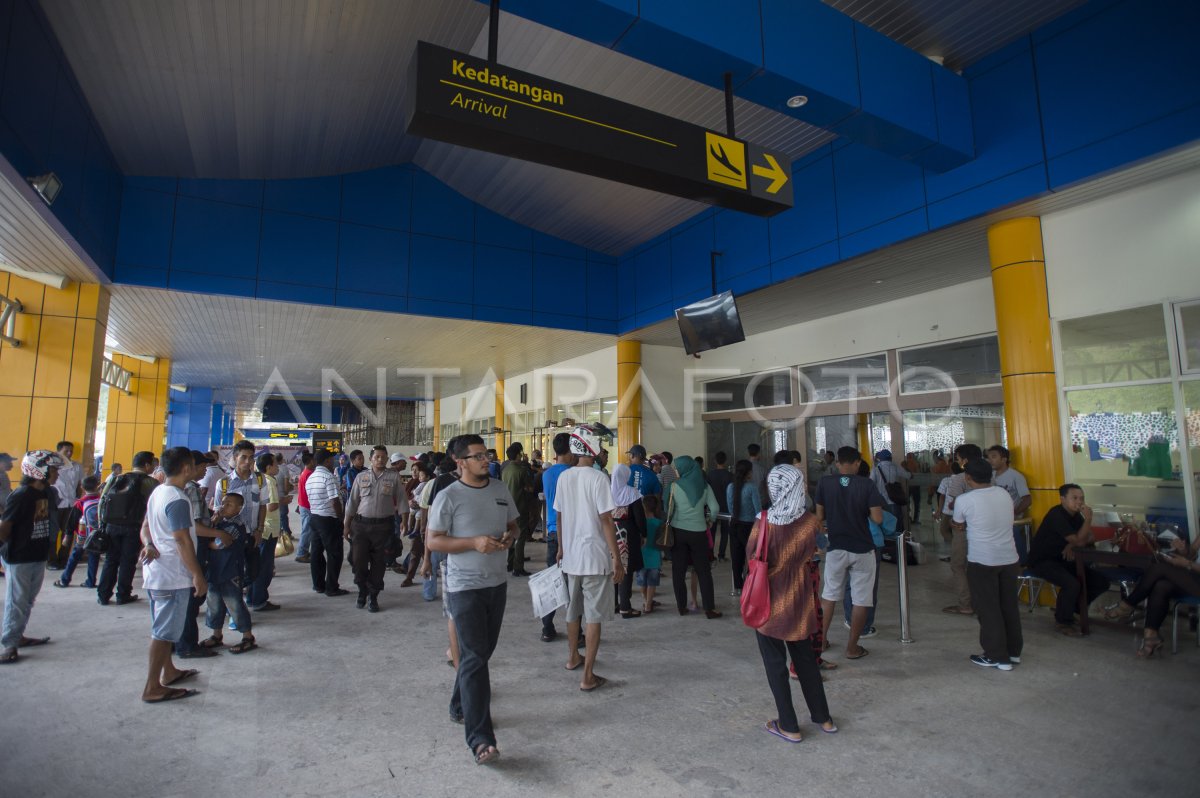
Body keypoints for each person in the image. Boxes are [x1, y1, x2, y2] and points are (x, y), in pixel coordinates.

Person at [426, 435, 518, 766]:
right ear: (460, 462)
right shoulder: (448, 496)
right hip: (464, 586)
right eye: (478, 456)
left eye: (487, 454)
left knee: (480, 654)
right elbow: (434, 541)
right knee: (476, 656)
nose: (486, 460)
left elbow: (514, 525)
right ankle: (480, 739)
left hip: (497, 583)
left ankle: (459, 704)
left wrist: (510, 536)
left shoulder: (498, 489)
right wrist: (473, 543)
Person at [750, 464, 838, 742]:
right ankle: (824, 719)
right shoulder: (810, 521)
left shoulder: (764, 521)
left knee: (775, 664)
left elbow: (752, 558)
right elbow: (821, 546)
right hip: (800, 601)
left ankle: (788, 725)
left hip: (769, 602)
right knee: (806, 661)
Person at [137, 446, 208, 701]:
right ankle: (152, 687)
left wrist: (147, 544)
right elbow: (182, 540)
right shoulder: (177, 499)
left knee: (162, 628)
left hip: (158, 573)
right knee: (163, 632)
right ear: (186, 468)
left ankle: (168, 671)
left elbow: (145, 526)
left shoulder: (159, 492)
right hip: (172, 575)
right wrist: (197, 574)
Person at [556, 426, 623, 690]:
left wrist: (561, 547)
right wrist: (617, 557)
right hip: (595, 557)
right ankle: (588, 676)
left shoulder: (564, 477)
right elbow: (606, 519)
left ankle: (572, 657)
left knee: (573, 612)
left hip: (571, 556)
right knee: (593, 616)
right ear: (591, 445)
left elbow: (559, 517)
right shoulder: (598, 479)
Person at [815, 446, 884, 660]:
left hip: (836, 547)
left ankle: (822, 642)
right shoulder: (867, 484)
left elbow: (819, 518)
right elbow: (878, 519)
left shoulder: (825, 483)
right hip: (862, 548)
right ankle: (852, 648)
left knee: (829, 596)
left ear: (837, 463)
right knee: (861, 599)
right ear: (857, 463)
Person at [953, 458, 1022, 671]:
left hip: (983, 560)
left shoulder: (964, 500)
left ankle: (996, 656)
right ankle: (1013, 652)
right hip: (1010, 559)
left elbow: (958, 524)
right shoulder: (1003, 494)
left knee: (988, 608)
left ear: (968, 478)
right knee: (1009, 605)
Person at [0, 450, 64, 664]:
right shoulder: (20, 495)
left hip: (37, 554)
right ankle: (8, 644)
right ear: (39, 471)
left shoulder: (46, 493)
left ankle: (18, 636)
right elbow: (5, 528)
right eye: (53, 470)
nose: (56, 474)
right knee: (16, 601)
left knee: (27, 600)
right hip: (18, 556)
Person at [1028, 484, 1111, 636]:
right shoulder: (1057, 514)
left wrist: (1071, 543)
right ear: (1063, 499)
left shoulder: (1076, 516)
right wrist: (1088, 520)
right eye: (1074, 498)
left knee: (1101, 582)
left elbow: (1090, 537)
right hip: (1043, 560)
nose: (1079, 502)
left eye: (1082, 498)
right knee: (1072, 583)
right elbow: (1081, 540)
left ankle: (1074, 610)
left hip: (1063, 560)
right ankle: (1062, 621)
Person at [1105, 532, 1200, 657]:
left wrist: (1188, 564)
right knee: (1161, 586)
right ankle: (1151, 636)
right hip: (1194, 578)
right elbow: (1191, 553)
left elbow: (1190, 562)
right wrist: (1183, 550)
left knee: (1159, 568)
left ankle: (1127, 605)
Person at [344, 445, 402, 612]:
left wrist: (404, 521)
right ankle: (362, 591)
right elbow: (352, 502)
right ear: (371, 459)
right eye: (377, 457)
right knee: (358, 561)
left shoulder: (393, 477)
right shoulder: (361, 477)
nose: (380, 459)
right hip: (360, 527)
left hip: (383, 528)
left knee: (379, 564)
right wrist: (346, 525)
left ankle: (373, 596)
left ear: (387, 458)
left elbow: (402, 500)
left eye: (384, 457)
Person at [97, 450, 159, 606]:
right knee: (128, 561)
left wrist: (101, 524)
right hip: (134, 527)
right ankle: (123, 594)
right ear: (147, 465)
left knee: (111, 560)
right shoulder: (150, 483)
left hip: (111, 526)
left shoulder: (117, 479)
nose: (154, 466)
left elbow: (102, 502)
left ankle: (103, 595)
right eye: (153, 463)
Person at [199, 492, 256, 654]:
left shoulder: (236, 526)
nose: (224, 507)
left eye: (229, 504)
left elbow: (218, 544)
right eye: (223, 503)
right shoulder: (218, 523)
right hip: (215, 570)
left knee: (234, 603)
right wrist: (212, 525)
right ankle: (216, 634)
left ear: (239, 508)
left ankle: (247, 636)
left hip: (230, 571)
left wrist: (204, 540)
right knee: (214, 603)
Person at [667, 455, 722, 618]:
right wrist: (710, 521)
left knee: (678, 571)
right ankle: (709, 609)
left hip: (678, 532)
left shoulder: (674, 487)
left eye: (676, 468)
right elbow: (715, 508)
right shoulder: (705, 487)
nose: (675, 471)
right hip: (698, 533)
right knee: (703, 571)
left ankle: (682, 607)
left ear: (684, 469)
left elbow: (670, 511)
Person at [538, 432, 574, 641]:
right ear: (569, 451)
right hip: (569, 532)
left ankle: (547, 628)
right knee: (573, 583)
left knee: (553, 580)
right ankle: (575, 631)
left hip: (552, 531)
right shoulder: (571, 473)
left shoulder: (547, 474)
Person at [942, 444, 983, 616]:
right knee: (980, 566)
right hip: (984, 527)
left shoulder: (959, 478)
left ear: (964, 460)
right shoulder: (990, 477)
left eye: (958, 458)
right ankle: (983, 602)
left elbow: (956, 504)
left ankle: (966, 604)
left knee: (958, 565)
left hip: (964, 528)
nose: (957, 461)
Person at [306, 449, 346, 596]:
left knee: (316, 553)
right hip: (329, 519)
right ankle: (332, 587)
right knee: (334, 553)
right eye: (332, 459)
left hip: (315, 518)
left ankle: (318, 585)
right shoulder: (328, 477)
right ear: (328, 460)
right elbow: (334, 500)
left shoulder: (311, 477)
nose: (333, 462)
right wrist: (341, 518)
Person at [246, 453, 282, 612]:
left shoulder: (258, 479)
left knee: (257, 566)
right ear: (268, 467)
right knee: (264, 568)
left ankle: (253, 597)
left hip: (264, 529)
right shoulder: (269, 481)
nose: (278, 467)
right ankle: (259, 600)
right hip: (268, 530)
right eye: (275, 464)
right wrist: (284, 500)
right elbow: (271, 506)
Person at [54, 475, 102, 588]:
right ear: (97, 486)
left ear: (82, 487)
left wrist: (68, 535)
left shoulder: (80, 503)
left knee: (74, 557)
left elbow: (72, 522)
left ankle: (64, 580)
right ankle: (90, 582)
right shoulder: (102, 500)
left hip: (82, 536)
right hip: (97, 535)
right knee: (94, 557)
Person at [500, 442, 537, 577]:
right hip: (519, 507)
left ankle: (510, 563)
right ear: (517, 455)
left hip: (507, 507)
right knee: (520, 537)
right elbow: (530, 488)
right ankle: (518, 567)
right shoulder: (521, 470)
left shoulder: (505, 470)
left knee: (509, 535)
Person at [727, 459, 761, 597]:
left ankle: (738, 587)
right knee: (752, 557)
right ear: (748, 473)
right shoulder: (752, 488)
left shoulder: (730, 487)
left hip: (734, 525)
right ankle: (751, 583)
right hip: (750, 527)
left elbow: (730, 508)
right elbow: (758, 510)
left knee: (737, 558)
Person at [48, 440, 83, 569]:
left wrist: (78, 499)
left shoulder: (77, 466)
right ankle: (51, 561)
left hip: (71, 503)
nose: (69, 453)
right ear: (58, 452)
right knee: (52, 532)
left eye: (71, 451)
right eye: (66, 451)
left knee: (68, 532)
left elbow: (79, 485)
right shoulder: (51, 466)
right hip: (56, 504)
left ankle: (63, 559)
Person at [870, 449, 910, 531]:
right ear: (890, 458)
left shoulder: (875, 469)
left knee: (884, 525)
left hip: (880, 502)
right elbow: (908, 476)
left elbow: (870, 484)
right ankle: (899, 542)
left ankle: (888, 542)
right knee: (897, 525)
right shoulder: (896, 467)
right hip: (894, 501)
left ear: (879, 458)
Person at [638, 495, 663, 613]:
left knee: (642, 583)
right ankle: (648, 605)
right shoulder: (659, 523)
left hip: (641, 557)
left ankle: (646, 600)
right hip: (655, 557)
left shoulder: (640, 524)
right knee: (652, 583)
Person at [706, 451, 733, 561]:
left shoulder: (710, 474)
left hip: (712, 506)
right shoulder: (730, 475)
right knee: (725, 531)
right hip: (726, 506)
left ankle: (711, 553)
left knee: (711, 530)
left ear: (715, 461)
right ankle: (721, 555)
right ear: (725, 461)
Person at [294, 450, 314, 563]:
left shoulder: (305, 472)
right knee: (307, 530)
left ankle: (304, 551)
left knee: (307, 529)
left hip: (304, 504)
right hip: (307, 506)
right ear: (311, 461)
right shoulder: (309, 474)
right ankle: (301, 553)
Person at [747, 443, 768, 507]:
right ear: (758, 453)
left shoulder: (743, 466)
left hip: (747, 501)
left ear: (748, 453)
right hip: (761, 501)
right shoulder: (762, 468)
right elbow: (767, 486)